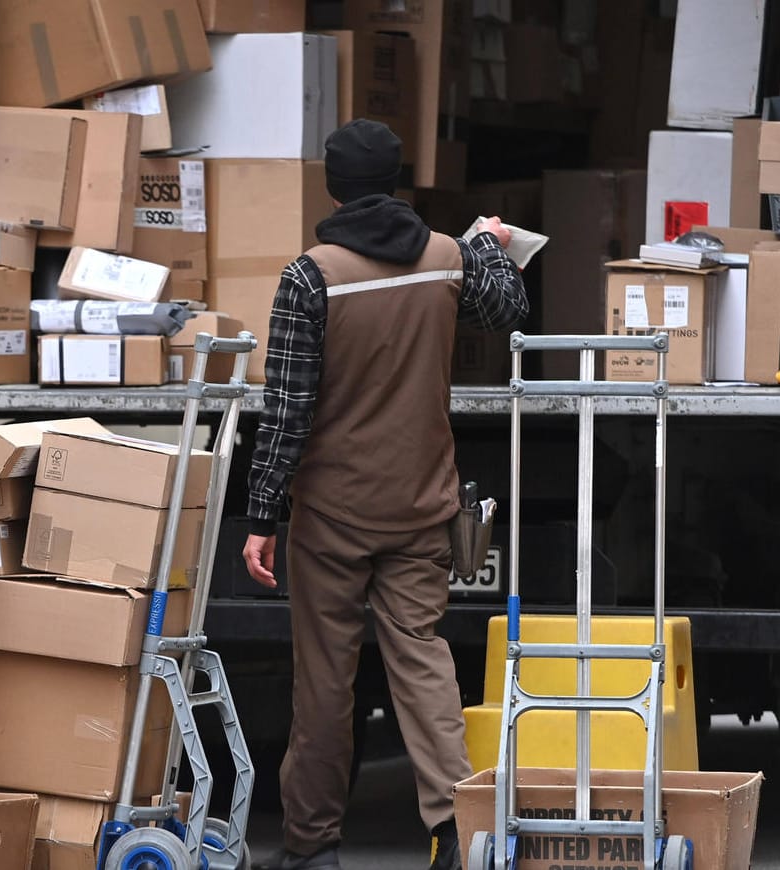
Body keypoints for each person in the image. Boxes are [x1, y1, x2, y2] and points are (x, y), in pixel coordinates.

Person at [242, 120, 529, 870]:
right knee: (424, 665)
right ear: (399, 177)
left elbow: (287, 409)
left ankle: (311, 845)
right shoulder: (445, 258)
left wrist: (262, 513)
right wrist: (490, 246)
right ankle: (459, 831)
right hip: (421, 506)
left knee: (325, 686)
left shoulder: (310, 275)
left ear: (332, 184)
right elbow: (506, 309)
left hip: (332, 517)